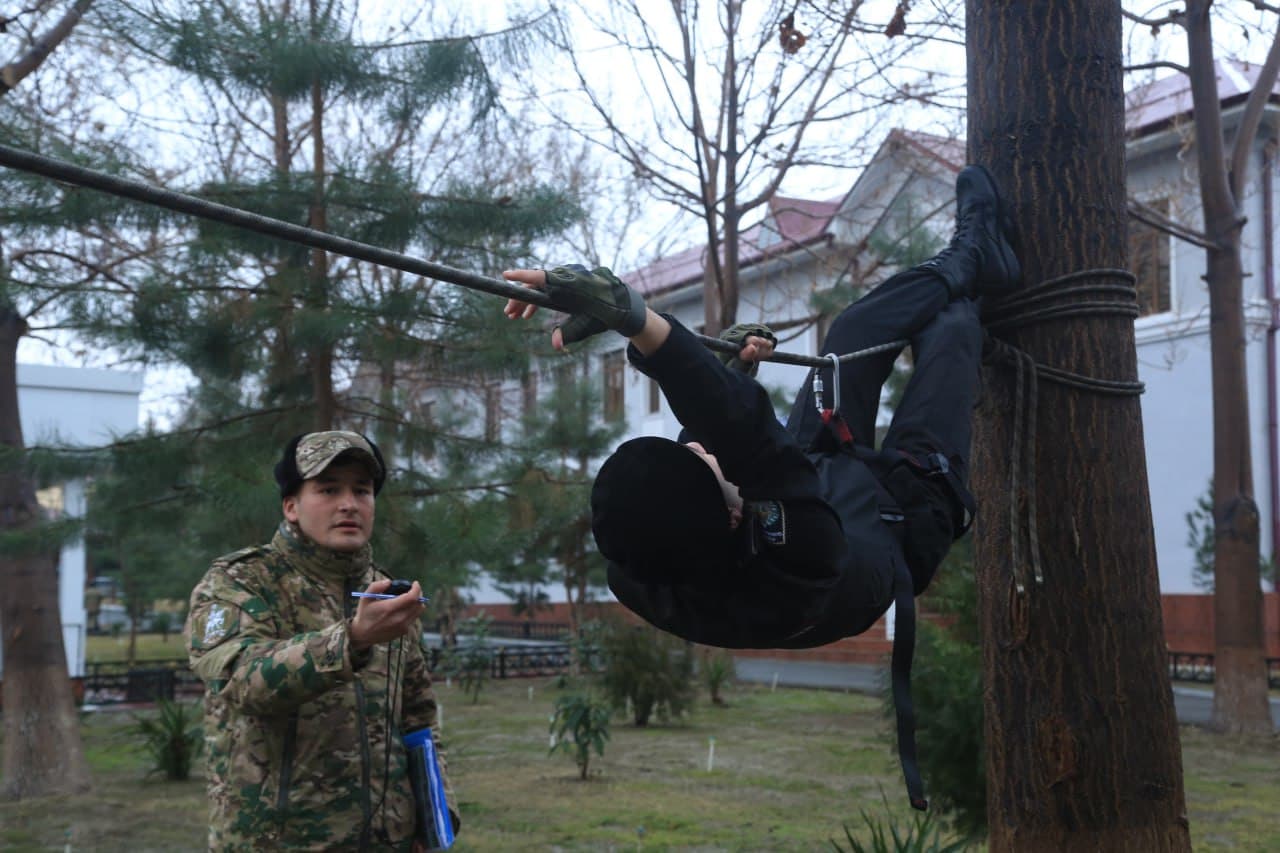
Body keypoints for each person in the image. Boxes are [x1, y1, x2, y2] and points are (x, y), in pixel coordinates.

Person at [501, 165, 1020, 806]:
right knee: (954, 331)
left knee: (854, 335)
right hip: (900, 517)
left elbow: (722, 452)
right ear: (733, 513)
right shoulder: (798, 560)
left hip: (818, 473)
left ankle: (971, 258)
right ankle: (974, 275)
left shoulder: (639, 563)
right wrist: (636, 319)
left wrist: (713, 363)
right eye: (702, 462)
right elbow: (744, 430)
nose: (698, 446)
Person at [184, 430, 458, 852]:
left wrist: (434, 819)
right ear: (291, 506)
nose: (349, 503)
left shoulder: (385, 593)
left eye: (361, 490)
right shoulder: (240, 581)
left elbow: (418, 719)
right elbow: (240, 679)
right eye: (328, 489)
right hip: (280, 841)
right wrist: (351, 640)